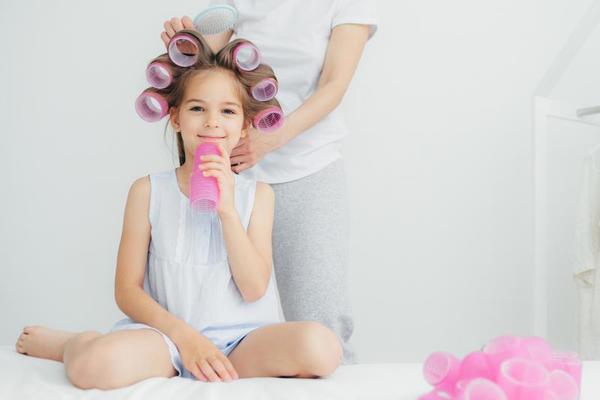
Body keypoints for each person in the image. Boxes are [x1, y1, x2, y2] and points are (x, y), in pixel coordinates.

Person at [15, 33, 342, 390]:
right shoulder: (148, 191)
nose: (212, 122)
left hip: (240, 343)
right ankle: (70, 344)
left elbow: (253, 288)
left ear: (245, 126)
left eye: (228, 111)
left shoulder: (258, 196)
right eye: (197, 108)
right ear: (175, 118)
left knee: (322, 348)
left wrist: (228, 211)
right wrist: (185, 340)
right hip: (166, 339)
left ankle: (201, 360)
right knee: (94, 366)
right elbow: (127, 290)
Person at [161, 0, 377, 363]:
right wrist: (186, 50)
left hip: (308, 170)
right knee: (206, 316)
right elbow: (209, 67)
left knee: (321, 322)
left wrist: (271, 138)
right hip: (231, 174)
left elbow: (334, 85)